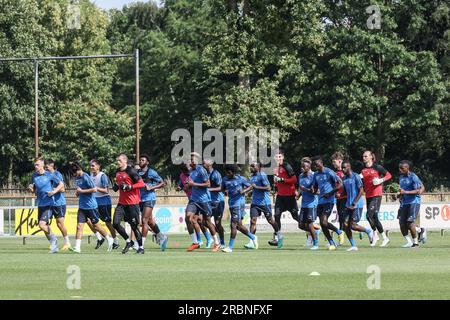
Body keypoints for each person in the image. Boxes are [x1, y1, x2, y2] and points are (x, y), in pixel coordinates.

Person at [69, 162, 113, 253]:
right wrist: (78, 192)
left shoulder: (86, 177)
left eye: (75, 172)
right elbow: (79, 191)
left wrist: (82, 191)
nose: (74, 175)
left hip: (91, 206)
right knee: (79, 226)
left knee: (96, 226)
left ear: (79, 169)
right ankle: (77, 247)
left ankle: (109, 239)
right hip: (82, 206)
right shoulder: (77, 178)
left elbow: (94, 189)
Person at [185, 152, 220, 252]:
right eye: (190, 159)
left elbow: (208, 184)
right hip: (194, 200)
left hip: (204, 200)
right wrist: (188, 186)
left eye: (192, 159)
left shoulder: (201, 170)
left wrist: (193, 183)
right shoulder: (191, 171)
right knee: (188, 217)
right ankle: (195, 242)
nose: (190, 161)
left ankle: (216, 243)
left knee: (207, 222)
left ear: (197, 161)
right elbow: (190, 185)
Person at [112, 153, 146, 254]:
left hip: (132, 203)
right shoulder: (117, 172)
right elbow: (119, 183)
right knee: (115, 223)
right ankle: (128, 241)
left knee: (134, 226)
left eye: (120, 160)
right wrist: (116, 186)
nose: (118, 162)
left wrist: (129, 187)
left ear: (125, 161)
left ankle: (141, 247)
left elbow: (141, 184)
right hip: (121, 203)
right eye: (117, 160)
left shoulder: (131, 171)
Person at [29, 157, 64, 253]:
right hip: (40, 204)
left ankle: (54, 240)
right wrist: (31, 189)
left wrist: (54, 191)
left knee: (42, 224)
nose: (35, 166)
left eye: (37, 165)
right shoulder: (34, 176)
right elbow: (34, 190)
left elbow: (61, 184)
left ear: (42, 165)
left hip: (49, 203)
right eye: (35, 165)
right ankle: (54, 246)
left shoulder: (49, 175)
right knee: (44, 227)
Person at [221, 164, 258, 253]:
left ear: (233, 172)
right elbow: (223, 188)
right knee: (239, 226)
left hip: (238, 204)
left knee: (233, 225)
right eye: (226, 172)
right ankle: (253, 237)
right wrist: (225, 191)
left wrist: (244, 191)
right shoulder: (225, 179)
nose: (227, 174)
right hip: (232, 204)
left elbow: (252, 185)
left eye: (229, 172)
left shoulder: (240, 179)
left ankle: (230, 247)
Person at [311, 156, 345, 251]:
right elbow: (315, 187)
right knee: (323, 224)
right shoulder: (316, 175)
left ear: (322, 163)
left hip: (329, 200)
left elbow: (340, 183)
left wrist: (330, 193)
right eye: (315, 166)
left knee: (323, 221)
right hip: (320, 201)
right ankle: (334, 239)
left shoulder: (329, 172)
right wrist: (313, 189)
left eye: (318, 165)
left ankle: (336, 235)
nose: (317, 167)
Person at [247, 161, 282, 249]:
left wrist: (256, 187)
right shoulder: (252, 177)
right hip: (255, 202)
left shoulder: (262, 175)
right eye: (250, 166)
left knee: (270, 220)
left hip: (264, 203)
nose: (251, 168)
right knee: (253, 221)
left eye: (252, 166)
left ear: (258, 167)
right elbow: (254, 187)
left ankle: (279, 235)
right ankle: (251, 241)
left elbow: (268, 188)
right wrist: (251, 192)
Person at [137, 154, 168, 251]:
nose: (141, 161)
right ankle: (162, 236)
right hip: (140, 199)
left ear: (147, 162)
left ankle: (141, 245)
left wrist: (151, 187)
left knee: (144, 221)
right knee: (150, 222)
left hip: (149, 198)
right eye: (140, 160)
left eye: (143, 160)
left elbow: (163, 183)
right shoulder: (137, 173)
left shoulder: (152, 172)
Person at [341, 160, 374, 251]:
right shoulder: (344, 179)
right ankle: (354, 245)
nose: (343, 169)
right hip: (348, 205)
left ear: (349, 167)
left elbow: (361, 191)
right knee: (345, 224)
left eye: (344, 167)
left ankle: (368, 231)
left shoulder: (356, 176)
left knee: (353, 225)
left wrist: (354, 203)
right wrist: (339, 195)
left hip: (357, 205)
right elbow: (345, 191)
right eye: (342, 168)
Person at [361, 151, 392, 247]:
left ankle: (375, 235)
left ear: (371, 157)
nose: (364, 158)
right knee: (374, 217)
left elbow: (389, 175)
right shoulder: (363, 170)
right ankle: (384, 238)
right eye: (363, 156)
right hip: (368, 195)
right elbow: (362, 181)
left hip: (376, 194)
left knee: (369, 215)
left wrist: (380, 180)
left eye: (366, 156)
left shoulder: (377, 167)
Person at [89, 159, 119, 250]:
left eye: (93, 165)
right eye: (90, 166)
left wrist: (96, 188)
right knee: (89, 220)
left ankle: (115, 241)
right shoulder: (90, 175)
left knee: (108, 223)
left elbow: (106, 190)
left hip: (104, 201)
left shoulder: (102, 176)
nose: (91, 167)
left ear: (98, 166)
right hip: (94, 201)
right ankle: (100, 238)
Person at [270, 150, 298, 246]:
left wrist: (282, 180)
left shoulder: (287, 166)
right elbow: (277, 182)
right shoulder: (275, 169)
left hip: (290, 196)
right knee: (276, 216)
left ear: (283, 157)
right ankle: (278, 238)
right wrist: (275, 187)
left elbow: (294, 180)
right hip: (280, 196)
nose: (277, 159)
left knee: (296, 217)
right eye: (276, 157)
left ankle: (313, 229)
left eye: (279, 157)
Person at [397, 160, 427, 248]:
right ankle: (411, 240)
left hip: (413, 202)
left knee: (409, 223)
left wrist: (405, 192)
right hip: (404, 202)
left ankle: (415, 243)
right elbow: (402, 190)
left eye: (402, 168)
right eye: (399, 168)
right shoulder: (401, 177)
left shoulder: (413, 177)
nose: (400, 170)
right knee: (402, 223)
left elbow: (418, 191)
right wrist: (399, 194)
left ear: (407, 168)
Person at [45, 159, 71, 251]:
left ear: (51, 165)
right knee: (44, 223)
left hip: (58, 203)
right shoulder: (45, 174)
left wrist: (53, 190)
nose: (45, 167)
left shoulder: (57, 174)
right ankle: (53, 241)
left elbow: (63, 189)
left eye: (46, 165)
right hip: (48, 203)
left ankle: (67, 242)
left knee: (60, 224)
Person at [297, 157, 320, 250]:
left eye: (304, 166)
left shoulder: (314, 176)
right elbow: (300, 187)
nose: (302, 168)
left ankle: (315, 244)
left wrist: (305, 189)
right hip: (304, 204)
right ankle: (315, 231)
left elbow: (317, 192)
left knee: (310, 224)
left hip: (312, 203)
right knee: (301, 225)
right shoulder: (300, 176)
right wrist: (298, 194)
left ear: (309, 167)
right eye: (301, 166)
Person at [203, 159, 226, 249]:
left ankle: (222, 243)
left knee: (217, 223)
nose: (203, 164)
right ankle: (217, 233)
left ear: (210, 164)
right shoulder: (205, 174)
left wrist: (208, 189)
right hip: (208, 202)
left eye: (204, 163)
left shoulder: (216, 174)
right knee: (203, 221)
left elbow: (221, 188)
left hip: (218, 201)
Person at [331, 152, 347, 234]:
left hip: (345, 198)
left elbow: (347, 185)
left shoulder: (345, 172)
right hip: (338, 199)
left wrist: (342, 193)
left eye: (334, 162)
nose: (333, 163)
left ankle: (341, 237)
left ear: (340, 161)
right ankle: (342, 236)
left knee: (342, 218)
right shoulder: (334, 173)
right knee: (341, 218)